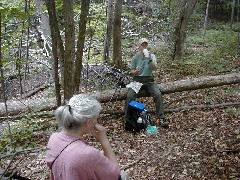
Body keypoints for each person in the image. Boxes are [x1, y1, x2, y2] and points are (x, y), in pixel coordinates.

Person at [46, 94, 129, 180]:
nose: (96, 121)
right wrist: (104, 140)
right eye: (96, 118)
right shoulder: (88, 154)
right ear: (89, 122)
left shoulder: (53, 138)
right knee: (124, 176)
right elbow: (116, 175)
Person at [125, 38, 169, 128]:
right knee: (130, 96)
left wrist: (149, 59)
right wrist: (135, 72)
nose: (144, 46)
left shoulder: (152, 56)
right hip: (137, 80)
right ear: (139, 46)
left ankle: (161, 118)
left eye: (146, 45)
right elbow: (131, 72)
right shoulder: (135, 57)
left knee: (157, 94)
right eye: (142, 45)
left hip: (149, 80)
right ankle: (127, 119)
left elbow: (155, 69)